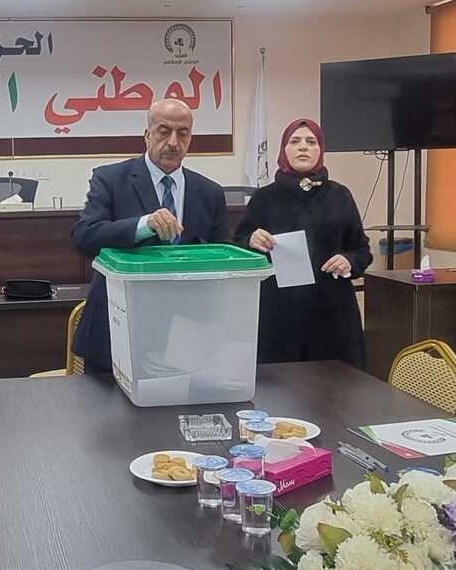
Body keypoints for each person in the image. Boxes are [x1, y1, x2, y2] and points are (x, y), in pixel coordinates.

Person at [69, 98, 230, 375]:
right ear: (147, 135)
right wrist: (144, 225)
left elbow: (222, 259)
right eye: (164, 131)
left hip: (185, 338)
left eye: (183, 133)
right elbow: (84, 236)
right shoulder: (110, 179)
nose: (173, 142)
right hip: (118, 329)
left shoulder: (210, 193)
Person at [237, 119, 372, 368]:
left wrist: (348, 260)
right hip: (278, 316)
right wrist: (251, 240)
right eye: (295, 141)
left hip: (332, 315)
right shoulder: (264, 198)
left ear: (320, 150)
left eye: (311, 142)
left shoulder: (340, 195)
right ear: (283, 149)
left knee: (336, 387)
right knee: (279, 387)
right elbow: (237, 246)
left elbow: (362, 250)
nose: (303, 147)